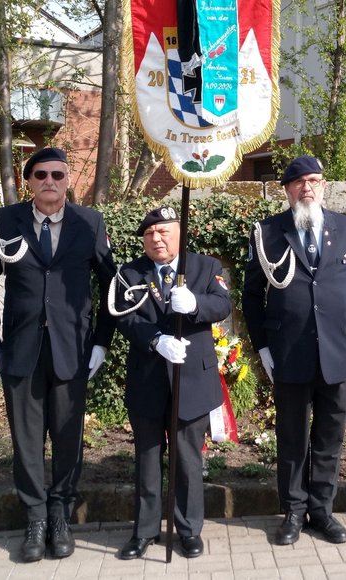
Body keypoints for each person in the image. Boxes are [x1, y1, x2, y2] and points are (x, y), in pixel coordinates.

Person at [0, 147, 117, 562]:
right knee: (26, 440)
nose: (49, 181)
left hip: (73, 349)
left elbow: (111, 285)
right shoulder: (5, 222)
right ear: (29, 182)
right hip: (21, 351)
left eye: (57, 174)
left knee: (68, 439)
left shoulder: (89, 222)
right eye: (41, 175)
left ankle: (60, 515)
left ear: (68, 180)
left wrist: (102, 342)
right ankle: (35, 518)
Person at [242, 155, 346, 546]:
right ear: (287, 190)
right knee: (292, 437)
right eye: (299, 182)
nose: (307, 188)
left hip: (339, 353)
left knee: (330, 437)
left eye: (314, 180)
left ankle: (322, 511)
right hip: (289, 352)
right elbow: (251, 296)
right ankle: (293, 512)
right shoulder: (267, 232)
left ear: (323, 186)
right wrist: (263, 347)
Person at [109, 206, 231, 560]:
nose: (156, 238)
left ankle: (189, 530)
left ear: (180, 233)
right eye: (149, 234)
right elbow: (123, 317)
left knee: (187, 459)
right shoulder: (130, 273)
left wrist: (195, 304)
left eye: (163, 231)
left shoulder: (205, 267)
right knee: (147, 459)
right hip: (147, 378)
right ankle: (144, 531)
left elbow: (222, 305)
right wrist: (154, 339)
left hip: (192, 380)